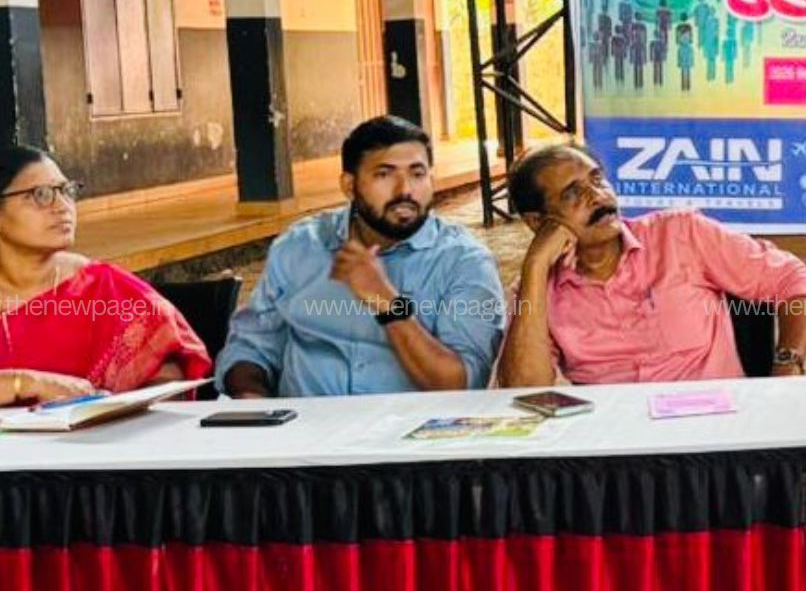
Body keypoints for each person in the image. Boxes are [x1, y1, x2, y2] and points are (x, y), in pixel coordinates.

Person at [217, 116, 506, 397]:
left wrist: (387, 302)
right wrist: (252, 401)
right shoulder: (300, 246)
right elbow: (249, 349)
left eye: (417, 174)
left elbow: (461, 385)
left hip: (410, 426)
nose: (405, 190)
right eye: (384, 174)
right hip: (308, 424)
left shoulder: (464, 261)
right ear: (349, 186)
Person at [496, 145, 806, 385]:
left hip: (716, 427)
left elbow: (792, 279)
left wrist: (788, 363)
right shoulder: (535, 292)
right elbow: (523, 391)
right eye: (573, 193)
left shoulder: (680, 234)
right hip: (620, 442)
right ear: (538, 222)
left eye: (597, 179)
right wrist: (535, 265)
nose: (597, 196)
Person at [0, 145, 211, 404]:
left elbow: (169, 380)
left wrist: (117, 412)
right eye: (40, 195)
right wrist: (23, 384)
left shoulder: (104, 288)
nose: (63, 206)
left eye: (66, 191)